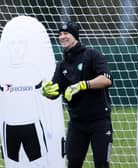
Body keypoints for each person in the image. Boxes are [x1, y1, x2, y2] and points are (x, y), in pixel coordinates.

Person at [42, 21, 113, 168]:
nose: (62, 37)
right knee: (73, 164)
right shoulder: (62, 65)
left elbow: (107, 79)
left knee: (101, 164)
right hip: (77, 124)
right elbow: (56, 91)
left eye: (66, 33)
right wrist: (47, 92)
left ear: (75, 36)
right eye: (60, 34)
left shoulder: (91, 55)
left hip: (99, 121)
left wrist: (83, 85)